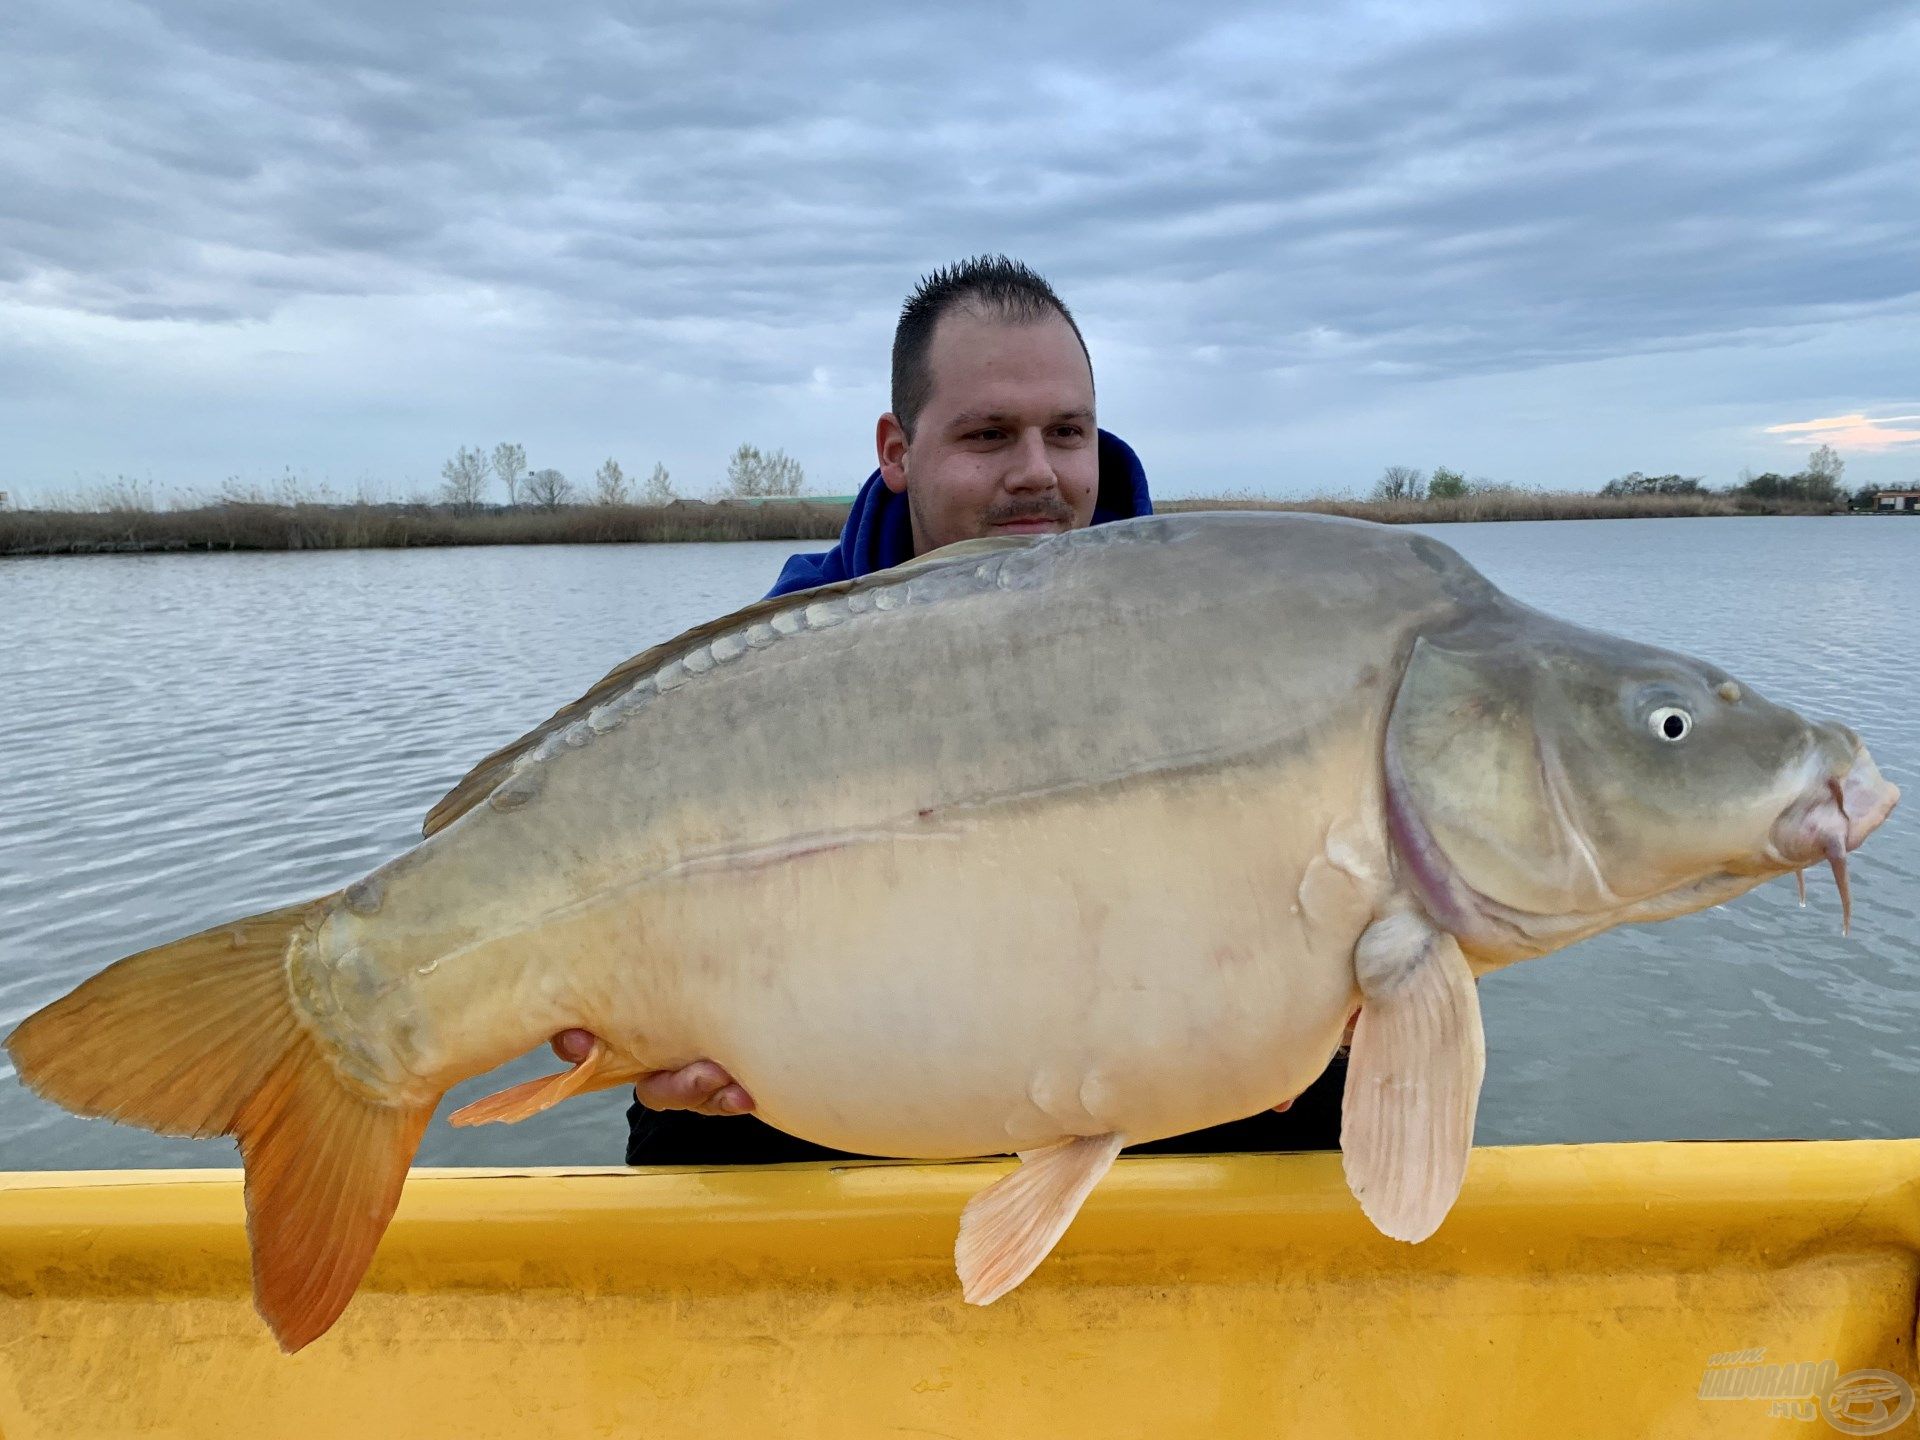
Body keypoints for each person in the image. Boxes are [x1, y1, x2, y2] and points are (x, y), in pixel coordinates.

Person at [550, 255, 1349, 1163]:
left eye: (1068, 432)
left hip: (1154, 1046)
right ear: (896, 450)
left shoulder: (1213, 632)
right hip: (866, 1062)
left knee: (1325, 1081)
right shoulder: (771, 675)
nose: (1038, 473)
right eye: (989, 436)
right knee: (690, 1114)